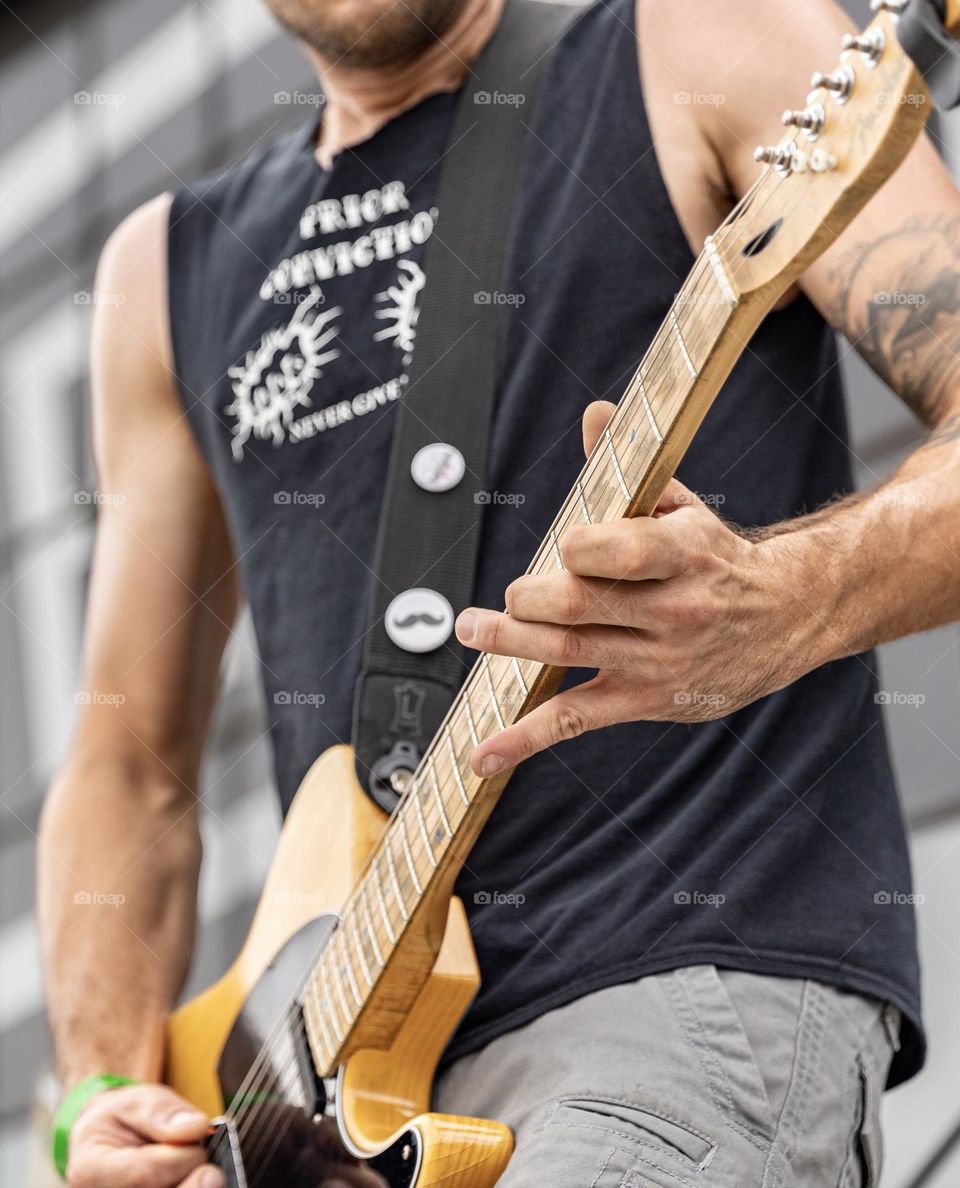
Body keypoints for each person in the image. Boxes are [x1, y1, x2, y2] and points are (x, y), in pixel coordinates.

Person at [37, 0, 960, 1184]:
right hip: (330, 1106)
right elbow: (126, 762)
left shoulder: (697, 38)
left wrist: (789, 597)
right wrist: (103, 1091)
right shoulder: (168, 266)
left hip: (665, 999)